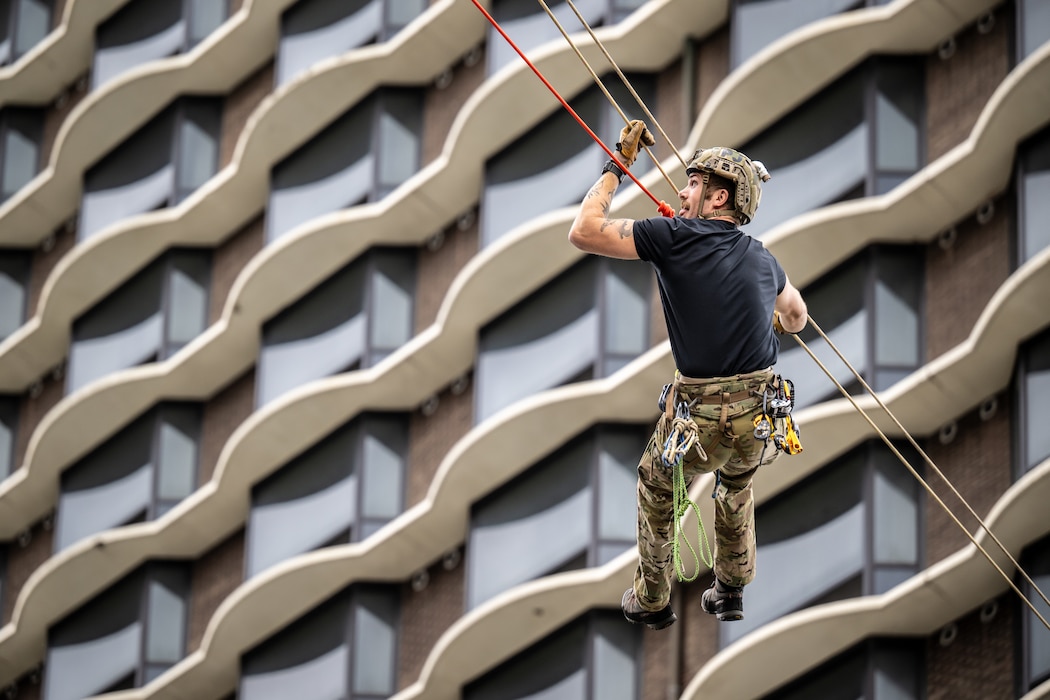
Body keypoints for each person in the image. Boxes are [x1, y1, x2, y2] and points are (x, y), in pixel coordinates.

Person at [567, 120, 808, 629]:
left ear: (719, 198)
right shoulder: (764, 259)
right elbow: (796, 317)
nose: (682, 189)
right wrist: (762, 319)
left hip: (699, 420)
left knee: (656, 486)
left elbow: (584, 232)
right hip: (757, 419)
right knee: (734, 484)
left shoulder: (672, 237)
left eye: (694, 183)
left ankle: (652, 598)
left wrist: (618, 166)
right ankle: (732, 588)